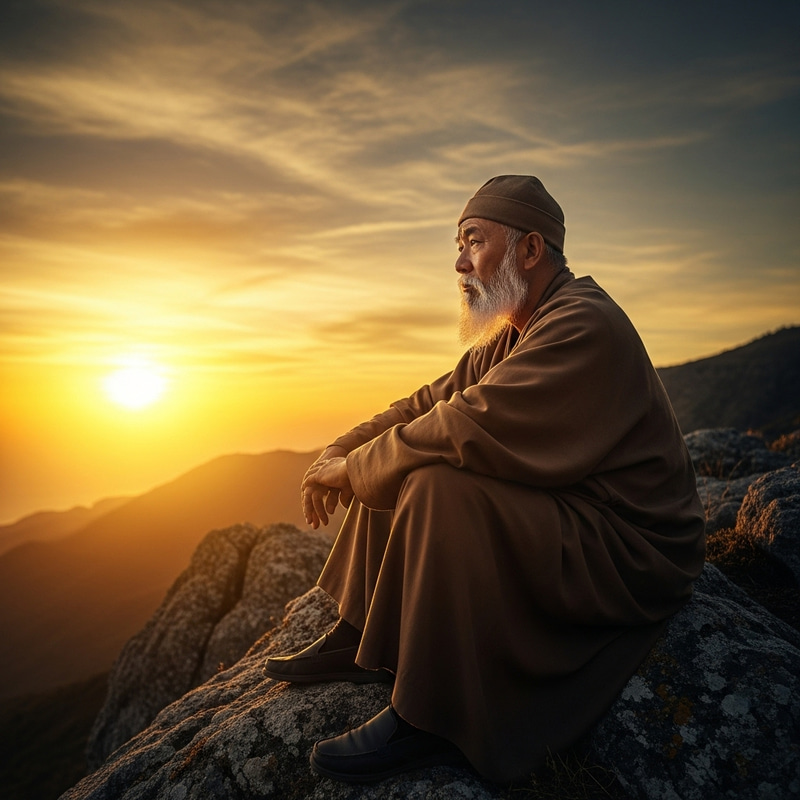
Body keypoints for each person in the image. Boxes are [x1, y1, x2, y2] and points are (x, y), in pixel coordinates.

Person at [264, 175, 706, 784]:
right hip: (575, 508)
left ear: (530, 250)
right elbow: (427, 403)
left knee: (431, 479)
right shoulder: (513, 330)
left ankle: (431, 717)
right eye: (459, 243)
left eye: (473, 241)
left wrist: (360, 468)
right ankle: (364, 632)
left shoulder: (583, 323)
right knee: (399, 457)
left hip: (630, 546)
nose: (458, 262)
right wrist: (340, 452)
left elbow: (466, 423)